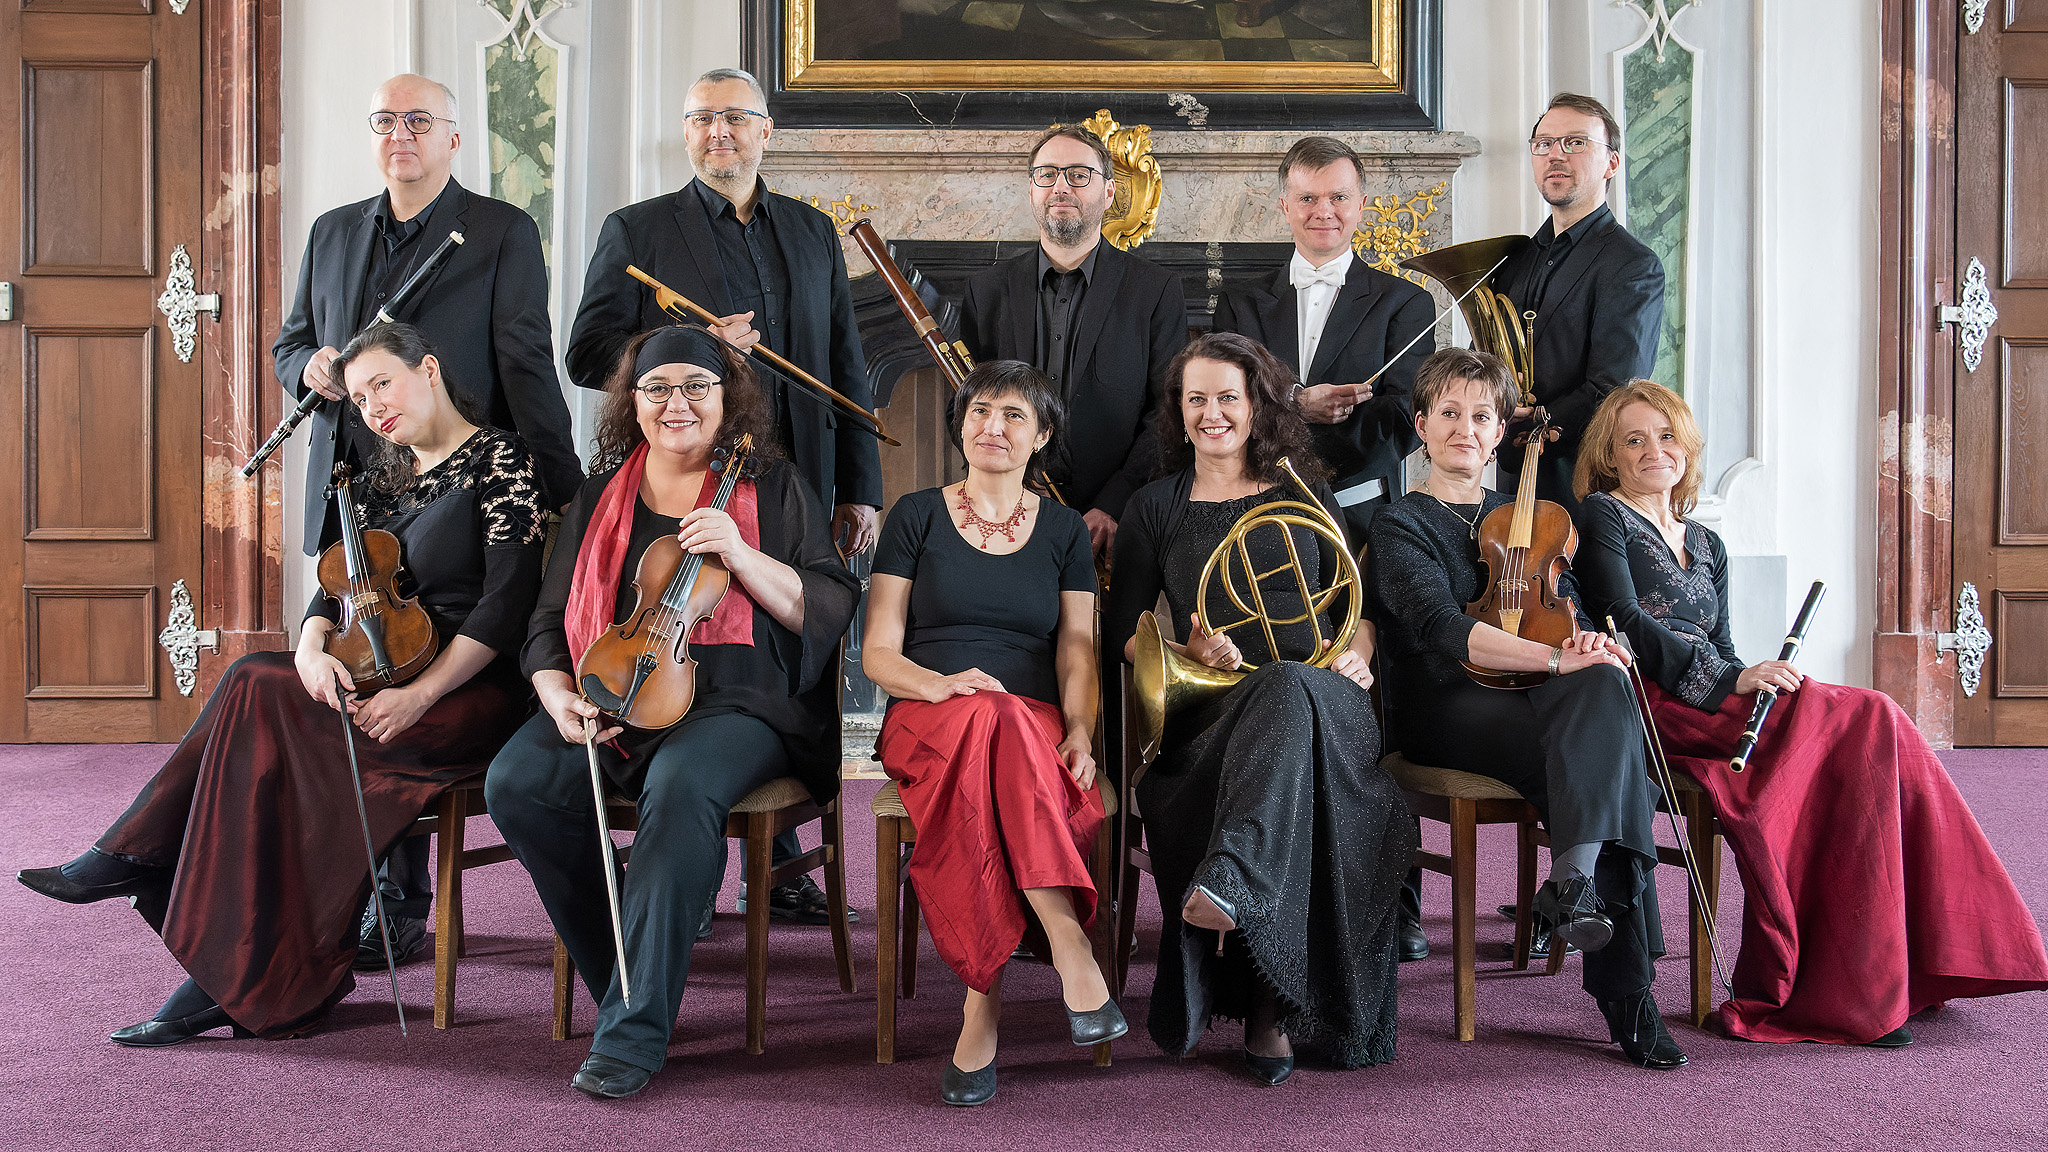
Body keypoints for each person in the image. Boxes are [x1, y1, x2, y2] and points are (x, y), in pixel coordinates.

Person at [18, 323, 547, 1045]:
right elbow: (337, 585)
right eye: (359, 398)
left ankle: (145, 865)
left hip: (465, 691)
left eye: (382, 384)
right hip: (374, 672)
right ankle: (231, 967)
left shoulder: (503, 460)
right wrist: (311, 648)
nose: (373, 408)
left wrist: (420, 695)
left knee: (253, 692)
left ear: (428, 369)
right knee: (261, 708)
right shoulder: (382, 475)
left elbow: (507, 605)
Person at [1570, 380, 2048, 1047]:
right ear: (1611, 455)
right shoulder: (1603, 516)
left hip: (1720, 694)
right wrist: (1735, 682)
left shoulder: (1707, 542)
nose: (1655, 449)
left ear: (1688, 446)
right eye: (1635, 439)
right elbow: (1626, 622)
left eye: (1667, 434)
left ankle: (1879, 977)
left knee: (1868, 742)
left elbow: (1724, 645)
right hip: (1657, 703)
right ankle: (1860, 984)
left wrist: (1752, 678)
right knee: (1872, 715)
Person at [486, 325, 859, 1100]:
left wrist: (744, 554)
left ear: (728, 398)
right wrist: (555, 693)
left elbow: (827, 605)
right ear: (633, 400)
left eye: (696, 386)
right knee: (517, 782)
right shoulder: (600, 495)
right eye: (657, 388)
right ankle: (625, 975)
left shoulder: (774, 486)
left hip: (738, 701)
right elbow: (547, 620)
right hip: (617, 689)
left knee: (683, 786)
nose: (675, 403)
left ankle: (633, 1032)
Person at [272, 73, 581, 960]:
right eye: (384, 120)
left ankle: (400, 905)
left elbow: (525, 357)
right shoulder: (333, 230)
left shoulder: (500, 230)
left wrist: (557, 481)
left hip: (458, 485)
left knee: (404, 674)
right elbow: (291, 342)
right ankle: (377, 893)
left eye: (417, 120)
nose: (398, 134)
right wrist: (310, 367)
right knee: (356, 660)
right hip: (357, 486)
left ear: (453, 137)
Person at [565, 67, 881, 920]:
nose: (720, 133)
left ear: (766, 130)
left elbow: (846, 363)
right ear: (685, 131)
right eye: (702, 119)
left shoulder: (812, 231)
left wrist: (862, 484)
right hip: (695, 481)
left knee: (794, 652)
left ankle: (778, 863)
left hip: (793, 486)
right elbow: (586, 353)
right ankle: (690, 855)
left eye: (736, 118)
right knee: (710, 654)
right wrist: (689, 343)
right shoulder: (637, 228)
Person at [1103, 332, 1417, 1084]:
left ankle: (1235, 878)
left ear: (1258, 407)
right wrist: (1183, 654)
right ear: (1177, 412)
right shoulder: (1153, 505)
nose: (1212, 413)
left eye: (1228, 398)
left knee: (1288, 685)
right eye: (1197, 399)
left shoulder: (1303, 490)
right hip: (1214, 715)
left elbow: (1358, 607)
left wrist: (1359, 653)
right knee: (1278, 691)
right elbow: (1123, 636)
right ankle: (1268, 1007)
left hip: (1328, 699)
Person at [1366, 347, 1685, 1070]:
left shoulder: (1532, 518)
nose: (1465, 429)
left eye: (1482, 415)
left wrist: (1586, 643)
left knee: (1605, 685)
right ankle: (1625, 990)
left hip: (1532, 703)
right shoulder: (1399, 524)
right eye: (1449, 413)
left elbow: (1562, 614)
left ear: (1500, 431)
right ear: (1421, 425)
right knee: (1607, 760)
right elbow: (1444, 631)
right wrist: (1553, 661)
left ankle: (1573, 883)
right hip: (1446, 708)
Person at [863, 361, 1121, 1107]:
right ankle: (1065, 936)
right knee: (988, 714)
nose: (993, 427)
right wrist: (940, 685)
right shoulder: (915, 515)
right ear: (961, 425)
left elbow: (1078, 649)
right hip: (926, 715)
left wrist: (1080, 729)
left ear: (1041, 436)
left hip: (1030, 726)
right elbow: (878, 651)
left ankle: (983, 1004)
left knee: (1001, 720)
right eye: (979, 411)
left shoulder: (1064, 530)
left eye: (1013, 415)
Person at [960, 124, 1190, 564]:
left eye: (1078, 175)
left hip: (1118, 524)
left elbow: (1170, 411)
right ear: (1032, 189)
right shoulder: (985, 291)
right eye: (1047, 174)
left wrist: (1115, 504)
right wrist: (1009, 485)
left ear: (1108, 192)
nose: (1060, 186)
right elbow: (964, 405)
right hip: (1005, 513)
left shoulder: (1155, 290)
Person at [1213, 135, 1434, 542]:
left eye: (1338, 197)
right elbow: (1221, 402)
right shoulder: (1238, 303)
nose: (1324, 211)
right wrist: (1296, 402)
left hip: (1361, 515)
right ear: (1285, 206)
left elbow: (1407, 417)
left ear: (1361, 205)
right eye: (1308, 198)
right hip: (1252, 509)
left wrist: (1312, 469)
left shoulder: (1406, 302)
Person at [1492, 92, 1663, 514]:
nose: (1555, 154)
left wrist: (1533, 422)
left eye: (1575, 142)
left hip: (1585, 487)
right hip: (1511, 480)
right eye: (1544, 143)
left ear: (1612, 163)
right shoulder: (1514, 260)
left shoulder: (1633, 265)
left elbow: (1615, 387)